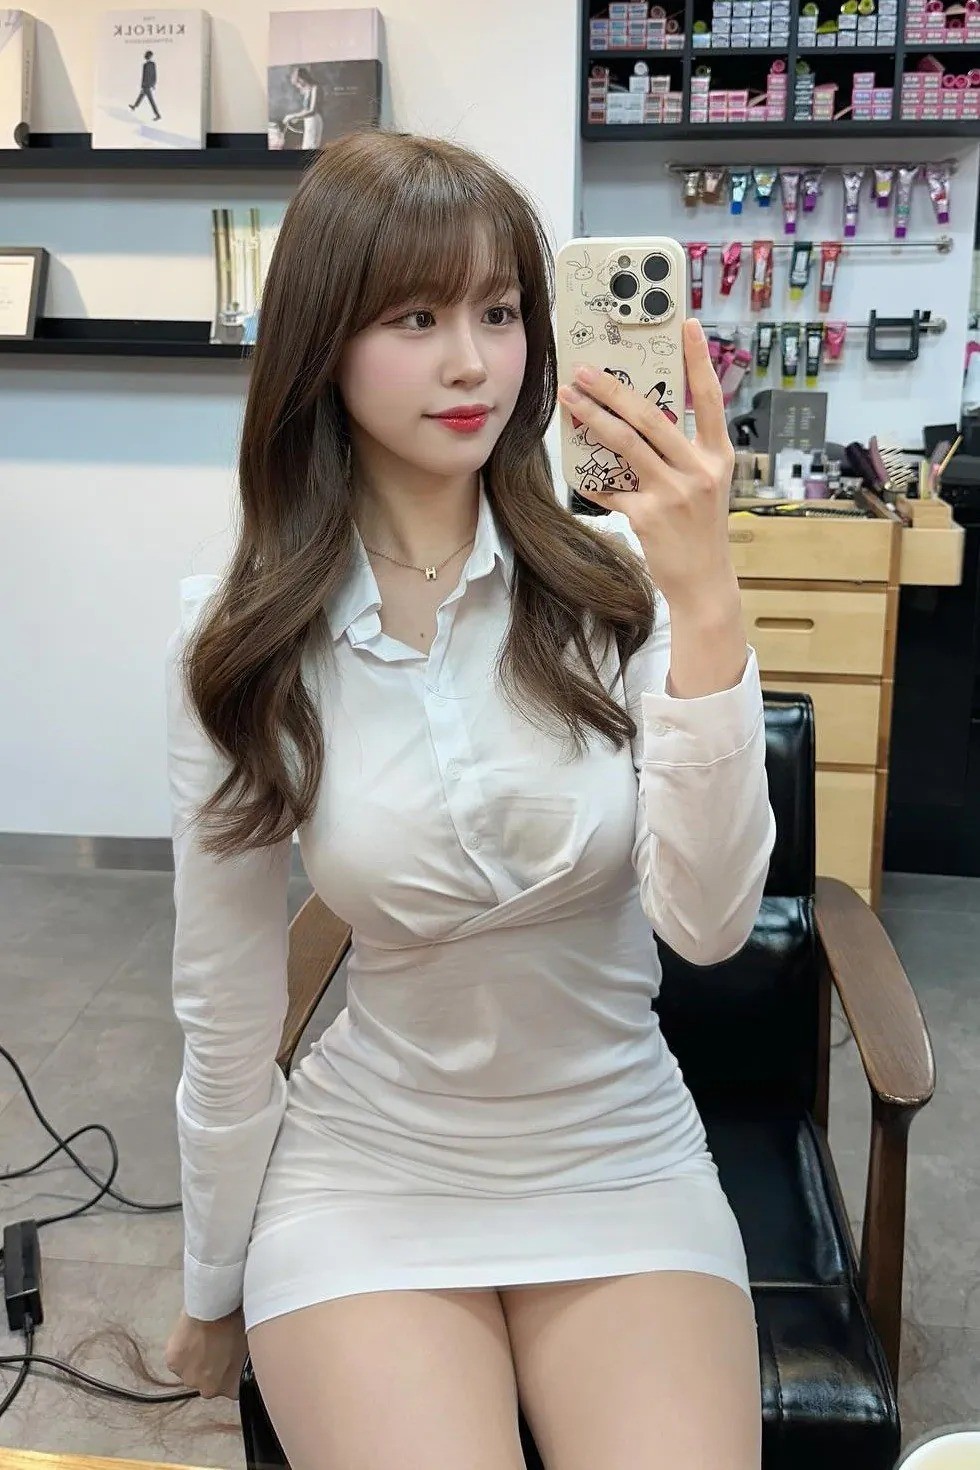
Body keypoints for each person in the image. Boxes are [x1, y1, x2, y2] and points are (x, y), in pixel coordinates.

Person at [163, 128, 775, 1470]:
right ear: (322, 341)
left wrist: (707, 593)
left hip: (619, 1151)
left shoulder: (621, 587)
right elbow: (225, 999)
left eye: (499, 313)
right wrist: (213, 1279)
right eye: (415, 318)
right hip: (370, 1169)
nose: (471, 363)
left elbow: (709, 924)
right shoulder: (243, 641)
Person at [281, 66, 324, 149]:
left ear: (302, 79)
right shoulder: (307, 90)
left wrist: (292, 116)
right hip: (308, 120)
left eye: (297, 83)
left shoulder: (315, 88)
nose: (298, 86)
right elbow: (305, 110)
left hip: (314, 120)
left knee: (311, 145)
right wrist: (298, 117)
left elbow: (312, 110)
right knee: (308, 145)